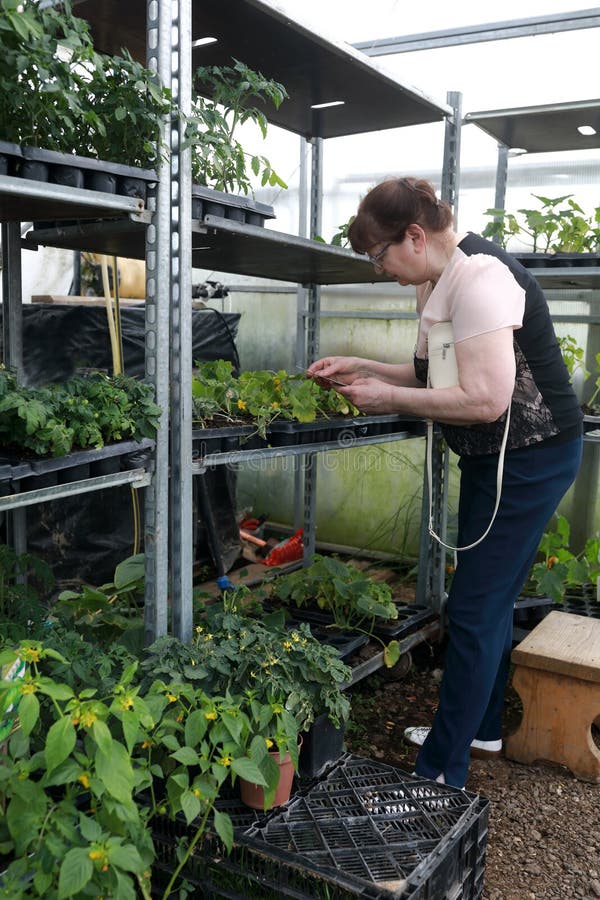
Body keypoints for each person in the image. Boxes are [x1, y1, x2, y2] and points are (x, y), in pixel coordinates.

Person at [307, 176, 583, 789]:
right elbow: (435, 369)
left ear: (414, 235)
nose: (381, 270)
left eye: (380, 255)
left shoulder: (481, 279)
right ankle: (479, 728)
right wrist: (365, 366)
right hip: (503, 459)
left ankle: (440, 771)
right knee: (491, 602)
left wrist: (388, 397)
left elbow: (486, 398)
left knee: (476, 606)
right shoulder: (443, 278)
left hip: (530, 460)